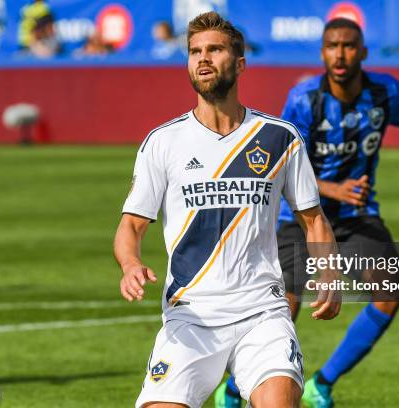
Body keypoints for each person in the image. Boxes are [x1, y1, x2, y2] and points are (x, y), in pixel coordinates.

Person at [216, 18, 399, 408]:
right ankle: (232, 390)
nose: (340, 54)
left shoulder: (385, 93)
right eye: (332, 46)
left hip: (354, 217)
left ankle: (322, 385)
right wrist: (332, 188)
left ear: (362, 52)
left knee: (390, 289)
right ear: (322, 53)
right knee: (287, 305)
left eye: (349, 46)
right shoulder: (304, 99)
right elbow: (281, 163)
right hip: (297, 216)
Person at [114, 11, 341, 408]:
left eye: (214, 49)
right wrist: (131, 264)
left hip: (263, 314)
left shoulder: (279, 138)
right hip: (190, 317)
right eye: (194, 51)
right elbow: (131, 226)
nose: (202, 58)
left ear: (239, 63)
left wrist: (329, 272)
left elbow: (313, 219)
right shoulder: (163, 142)